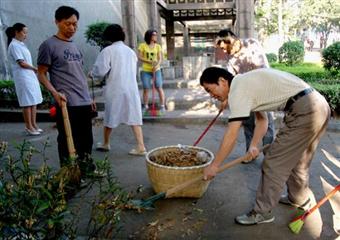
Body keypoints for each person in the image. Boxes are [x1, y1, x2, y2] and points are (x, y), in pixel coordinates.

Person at [200, 66, 330, 225]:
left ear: (222, 81)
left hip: (305, 110)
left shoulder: (237, 90)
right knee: (297, 160)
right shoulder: (244, 83)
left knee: (273, 162)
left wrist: (215, 165)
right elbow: (262, 120)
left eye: (209, 89)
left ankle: (262, 212)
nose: (212, 96)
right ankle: (299, 199)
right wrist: (253, 145)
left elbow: (231, 134)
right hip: (318, 105)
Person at [37, 6, 97, 176]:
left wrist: (89, 97)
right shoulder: (48, 45)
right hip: (66, 102)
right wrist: (55, 93)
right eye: (67, 24)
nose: (72, 28)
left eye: (75, 24)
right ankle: (69, 173)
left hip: (84, 101)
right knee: (67, 139)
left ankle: (86, 170)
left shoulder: (75, 46)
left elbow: (79, 74)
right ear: (57, 22)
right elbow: (41, 74)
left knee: (87, 139)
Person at [215, 29, 275, 156]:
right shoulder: (230, 58)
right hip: (246, 93)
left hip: (263, 88)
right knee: (247, 123)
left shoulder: (251, 44)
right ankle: (250, 153)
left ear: (230, 41)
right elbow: (230, 79)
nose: (224, 51)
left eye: (224, 48)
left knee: (266, 123)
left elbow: (262, 69)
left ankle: (269, 156)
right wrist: (226, 98)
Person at [90, 24, 147, 156]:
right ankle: (141, 146)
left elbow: (100, 70)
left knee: (110, 115)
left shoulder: (107, 51)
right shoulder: (130, 51)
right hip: (131, 88)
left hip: (115, 88)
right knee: (134, 116)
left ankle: (105, 143)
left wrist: (92, 73)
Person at [6, 23, 43, 136]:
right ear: (17, 32)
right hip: (23, 77)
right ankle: (29, 127)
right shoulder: (14, 45)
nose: (26, 35)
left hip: (29, 75)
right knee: (27, 102)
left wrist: (33, 70)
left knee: (34, 100)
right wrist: (35, 68)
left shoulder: (21, 44)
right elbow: (21, 63)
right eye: (24, 32)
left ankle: (34, 125)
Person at [138, 29, 166, 114]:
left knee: (159, 87)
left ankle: (162, 106)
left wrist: (157, 65)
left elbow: (160, 58)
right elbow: (139, 57)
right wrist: (149, 62)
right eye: (154, 35)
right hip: (146, 70)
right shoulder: (142, 45)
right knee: (146, 88)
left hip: (156, 70)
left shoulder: (158, 46)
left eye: (156, 35)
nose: (156, 36)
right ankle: (145, 106)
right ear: (149, 36)